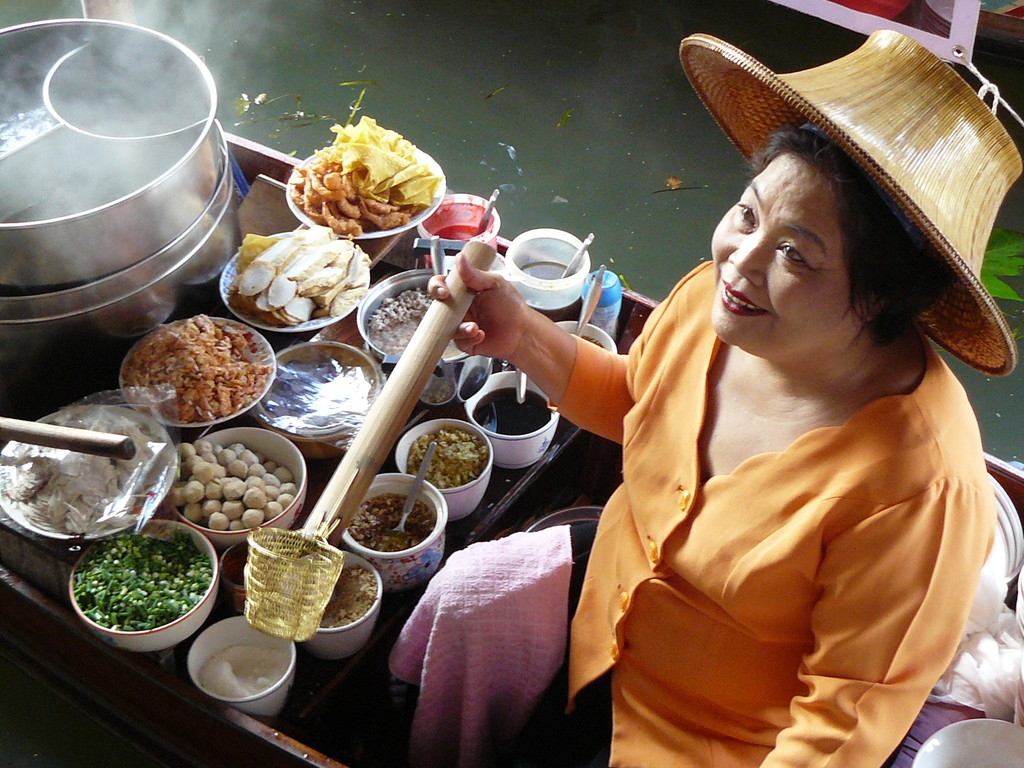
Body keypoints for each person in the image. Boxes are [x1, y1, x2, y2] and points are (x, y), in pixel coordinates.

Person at [423, 30, 1022, 767]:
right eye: (747, 213)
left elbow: (837, 733)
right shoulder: (719, 303)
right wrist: (521, 337)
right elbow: (635, 403)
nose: (740, 260)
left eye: (796, 253)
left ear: (882, 298)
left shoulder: (918, 492)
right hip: (600, 638)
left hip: (709, 745)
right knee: (466, 595)